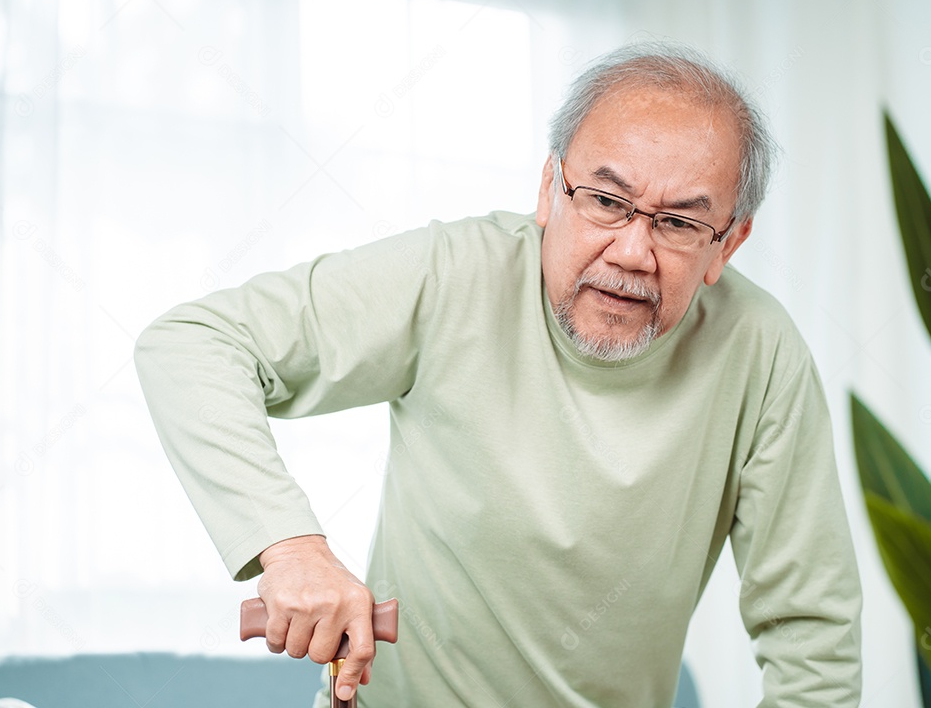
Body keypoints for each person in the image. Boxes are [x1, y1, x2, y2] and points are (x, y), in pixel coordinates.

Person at [135, 41, 862, 707]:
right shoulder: (453, 275)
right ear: (550, 190)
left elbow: (813, 642)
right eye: (607, 201)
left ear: (726, 246)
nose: (633, 252)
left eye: (677, 223)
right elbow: (194, 344)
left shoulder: (762, 352)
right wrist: (291, 550)